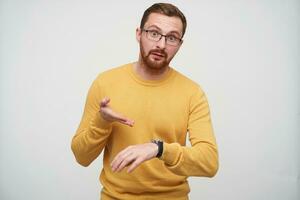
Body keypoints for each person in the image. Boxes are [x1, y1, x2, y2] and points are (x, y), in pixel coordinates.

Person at [71, 3, 219, 200]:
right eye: (154, 33)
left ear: (180, 44)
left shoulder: (192, 93)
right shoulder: (105, 83)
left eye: (172, 37)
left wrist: (159, 149)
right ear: (139, 34)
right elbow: (82, 157)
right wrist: (102, 121)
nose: (161, 45)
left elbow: (209, 163)